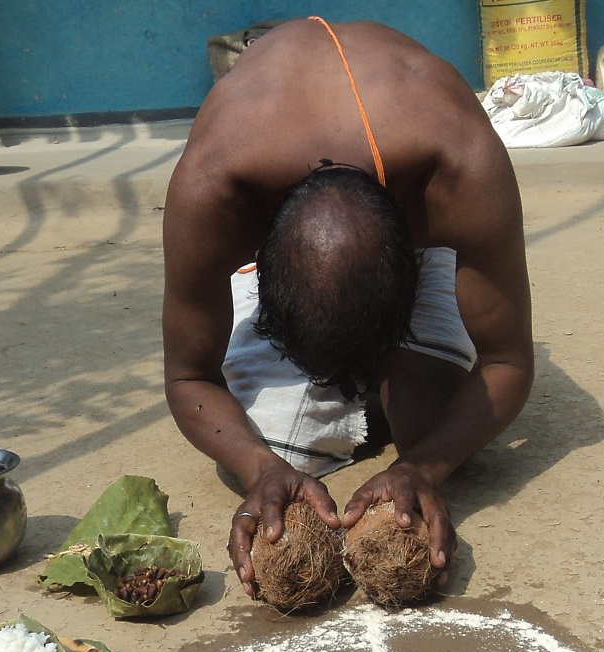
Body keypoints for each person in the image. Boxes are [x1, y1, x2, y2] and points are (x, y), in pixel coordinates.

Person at [162, 18, 534, 598]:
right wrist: (258, 468)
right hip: (288, 210)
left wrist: (425, 467)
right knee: (287, 452)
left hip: (406, 186)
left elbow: (508, 359)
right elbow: (188, 375)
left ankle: (394, 393)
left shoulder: (460, 167)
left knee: (426, 418)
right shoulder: (214, 190)